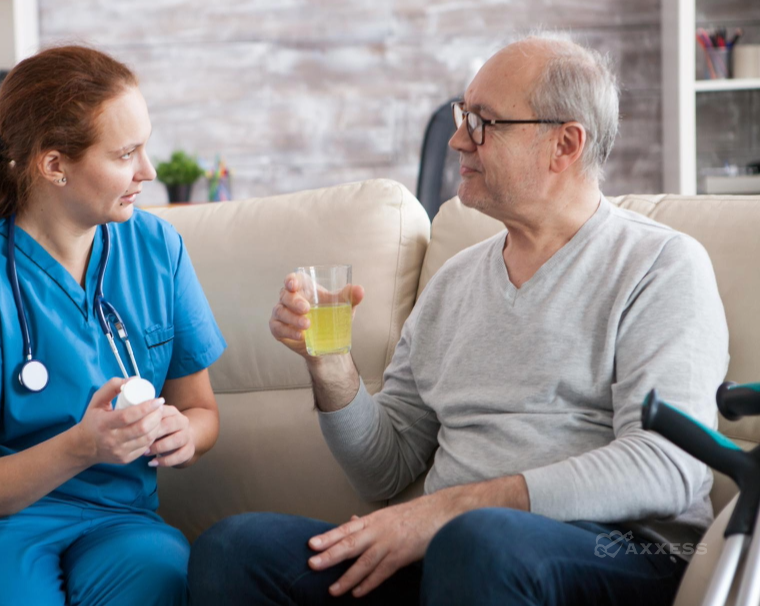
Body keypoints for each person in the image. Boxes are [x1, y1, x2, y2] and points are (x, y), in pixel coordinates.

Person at [188, 35, 729, 605]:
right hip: (455, 555)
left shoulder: (661, 265)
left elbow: (671, 466)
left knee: (480, 542)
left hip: (617, 553)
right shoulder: (454, 282)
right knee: (234, 549)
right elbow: (385, 468)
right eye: (462, 116)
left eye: (482, 122)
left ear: (564, 144)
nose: (457, 139)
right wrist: (331, 366)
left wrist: (454, 508)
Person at [0, 45, 226, 606]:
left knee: (159, 580)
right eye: (126, 154)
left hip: (117, 521)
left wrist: (184, 435)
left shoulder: (157, 249)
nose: (149, 171)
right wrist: (81, 447)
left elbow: (202, 411)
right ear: (54, 165)